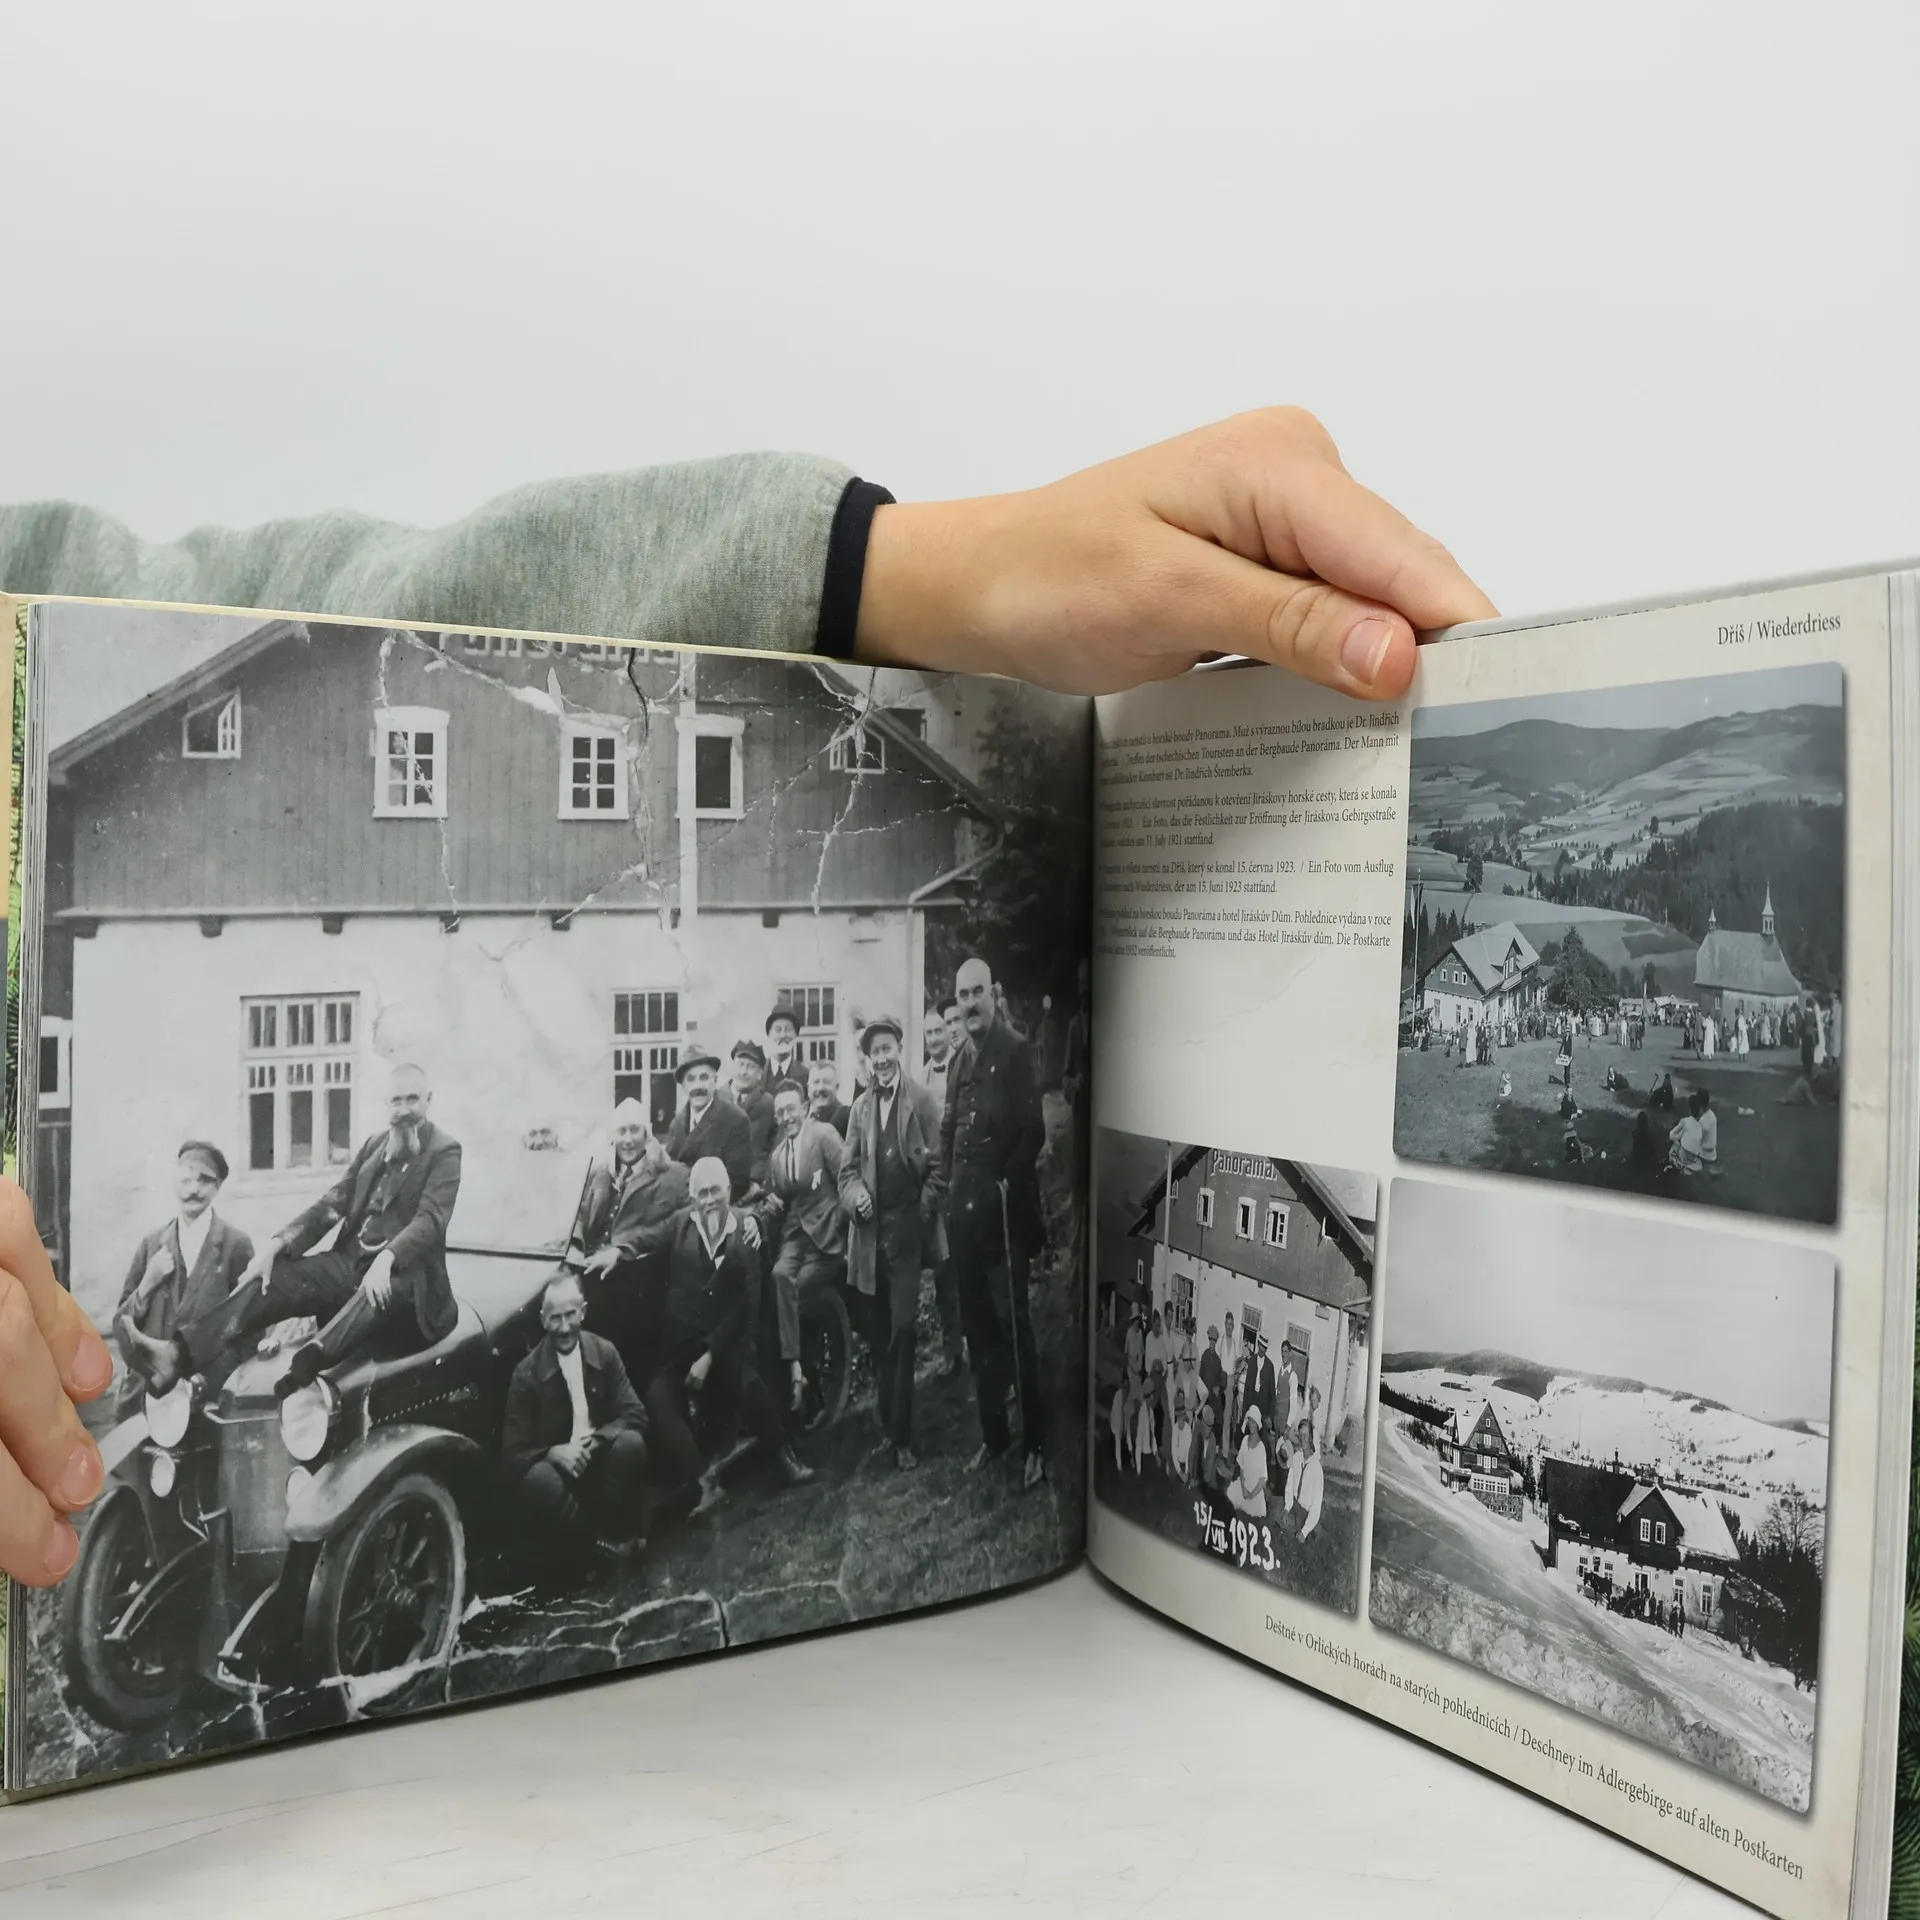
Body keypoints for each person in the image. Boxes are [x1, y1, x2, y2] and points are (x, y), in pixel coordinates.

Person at [0, 407, 1500, 1586]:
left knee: (839, 1341)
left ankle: (878, 1441)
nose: (936, 1026)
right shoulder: (661, 1154)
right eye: (947, 1006)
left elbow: (291, 585)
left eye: (959, 1008)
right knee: (714, 1354)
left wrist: (914, 569)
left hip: (873, 1237)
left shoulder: (839, 1112)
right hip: (747, 1267)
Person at [179, 1063, 462, 1397]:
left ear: (429, 1100)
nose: (403, 1111)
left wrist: (387, 1258)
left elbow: (430, 1219)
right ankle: (180, 1353)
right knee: (273, 1277)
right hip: (351, 1265)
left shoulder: (444, 1151)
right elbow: (333, 1203)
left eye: (412, 1099)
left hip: (408, 1283)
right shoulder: (373, 1146)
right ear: (386, 1104)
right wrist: (277, 1245)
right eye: (396, 1101)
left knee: (379, 1291)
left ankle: (309, 1360)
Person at [934, 954, 1049, 1489]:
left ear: (993, 994)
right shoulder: (959, 1058)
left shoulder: (1017, 1050)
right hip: (965, 1215)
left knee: (1013, 1326)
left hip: (1003, 1214)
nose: (970, 1003)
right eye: (962, 995)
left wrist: (1005, 1182)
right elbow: (949, 1130)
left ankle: (1036, 1445)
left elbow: (1033, 1131)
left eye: (977, 992)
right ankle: (994, 1435)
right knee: (977, 1327)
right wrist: (949, 1185)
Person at [644, 1157, 813, 1519]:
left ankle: (784, 1455)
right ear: (692, 1198)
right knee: (658, 1397)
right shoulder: (681, 1225)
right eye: (702, 1193)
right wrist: (616, 1249)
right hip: (684, 1347)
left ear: (728, 1191)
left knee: (745, 1380)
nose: (709, 1200)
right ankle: (703, 1482)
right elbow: (647, 1236)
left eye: (715, 1191)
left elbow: (743, 1308)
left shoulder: (744, 1230)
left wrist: (710, 1356)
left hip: (728, 1340)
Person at [840, 1016, 943, 1471]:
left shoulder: (921, 1100)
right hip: (870, 1239)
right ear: (867, 1059)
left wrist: (922, 1214)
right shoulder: (860, 1109)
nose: (881, 1058)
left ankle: (903, 1439)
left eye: (887, 1049)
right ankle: (890, 1429)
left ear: (899, 1048)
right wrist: (856, 1197)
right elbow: (846, 1173)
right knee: (880, 1334)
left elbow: (939, 1167)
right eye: (873, 1052)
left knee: (903, 1331)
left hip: (907, 1233)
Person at [502, 1273, 651, 1576]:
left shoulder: (604, 1352)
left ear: (583, 1311)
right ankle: (594, 1547)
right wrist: (553, 1453)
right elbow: (511, 1455)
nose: (564, 1327)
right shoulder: (525, 1374)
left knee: (631, 1443)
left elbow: (636, 1414)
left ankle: (607, 1534)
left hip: (598, 1468)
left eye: (570, 1315)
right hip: (561, 1483)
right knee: (538, 1477)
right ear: (543, 1320)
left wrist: (594, 1443)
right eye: (555, 1318)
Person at [112, 1141, 254, 1411]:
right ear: (174, 1182)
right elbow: (121, 1327)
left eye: (205, 1181)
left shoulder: (235, 1245)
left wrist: (205, 1383)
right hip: (150, 1399)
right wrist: (147, 1284)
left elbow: (251, 1333)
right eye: (186, 1180)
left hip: (207, 1399)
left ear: (218, 1186)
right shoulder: (152, 1244)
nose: (193, 1190)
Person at [573, 1102, 691, 1352]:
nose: (628, 1140)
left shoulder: (675, 1175)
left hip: (633, 1282)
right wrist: (574, 1246)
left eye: (635, 1130)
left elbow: (680, 1222)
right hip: (586, 1273)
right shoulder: (598, 1173)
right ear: (612, 1136)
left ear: (648, 1134)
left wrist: (623, 1249)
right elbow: (578, 1214)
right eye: (622, 1131)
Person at [763, 1084, 847, 1416]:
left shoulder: (823, 1135)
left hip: (827, 1237)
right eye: (780, 1113)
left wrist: (843, 1224)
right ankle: (796, 1368)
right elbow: (780, 1198)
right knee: (779, 1276)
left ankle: (801, 1373)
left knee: (798, 1288)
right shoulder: (777, 1156)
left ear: (806, 1107)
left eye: (791, 1109)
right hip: (796, 1235)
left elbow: (848, 1180)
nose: (786, 1118)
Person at [919, 1001, 965, 1378]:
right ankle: (953, 1351)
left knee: (971, 1263)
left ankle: (978, 1342)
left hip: (964, 1177)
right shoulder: (919, 1080)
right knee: (944, 1269)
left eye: (939, 1030)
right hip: (938, 1183)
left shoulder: (963, 1068)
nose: (935, 1037)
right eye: (929, 1033)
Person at [664, 1047, 759, 1212]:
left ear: (715, 1081)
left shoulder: (735, 1120)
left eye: (704, 1077)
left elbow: (737, 1184)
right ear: (683, 1086)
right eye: (691, 1079)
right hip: (680, 1213)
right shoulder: (676, 1124)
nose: (698, 1086)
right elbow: (669, 1177)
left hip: (718, 1210)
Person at [729, 1040, 778, 1184]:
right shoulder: (717, 1099)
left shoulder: (768, 1104)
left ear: (760, 1074)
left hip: (755, 1182)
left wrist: (756, 1178)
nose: (744, 1072)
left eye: (750, 1067)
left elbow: (772, 1148)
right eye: (740, 1065)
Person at [1227, 1406, 1270, 1519]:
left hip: (1254, 1491)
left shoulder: (1261, 1448)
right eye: (1249, 1421)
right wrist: (1243, 1487)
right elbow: (1241, 1466)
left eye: (1253, 1422)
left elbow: (1262, 1480)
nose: (1251, 1424)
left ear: (1257, 1424)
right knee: (1228, 1499)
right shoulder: (1245, 1440)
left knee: (1250, 1515)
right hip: (1244, 1485)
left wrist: (1251, 1495)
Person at [807, 1058, 852, 1139]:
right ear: (808, 1088)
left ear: (837, 1087)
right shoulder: (801, 1114)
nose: (821, 1088)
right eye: (816, 1082)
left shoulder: (845, 1118)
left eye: (827, 1082)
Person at [1169, 1391, 1195, 1487]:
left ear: (1184, 1416)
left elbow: (1189, 1453)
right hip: (1177, 1464)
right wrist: (1180, 1473)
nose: (1179, 1419)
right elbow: (1174, 1452)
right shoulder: (1174, 1429)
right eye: (1178, 1417)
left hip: (1187, 1463)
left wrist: (1186, 1473)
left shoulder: (1188, 1430)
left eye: (1181, 1416)